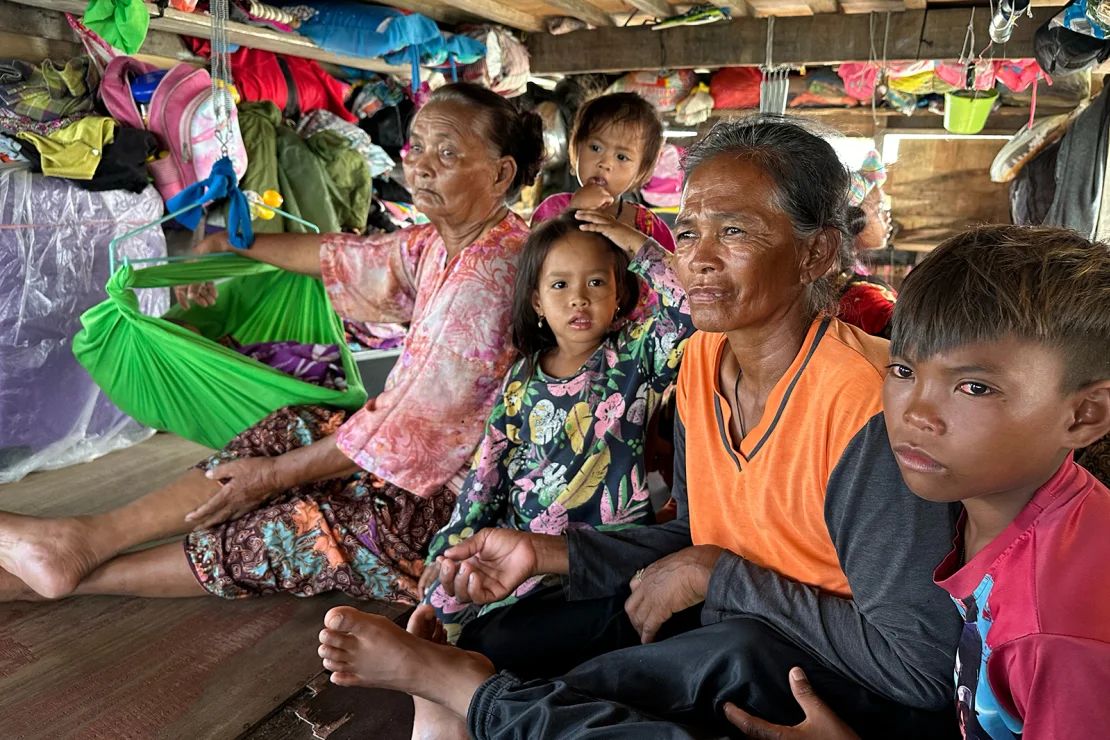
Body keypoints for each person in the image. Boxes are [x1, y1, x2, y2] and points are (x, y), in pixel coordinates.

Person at [315, 116, 961, 738]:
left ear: (815, 252)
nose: (699, 259)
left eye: (734, 232)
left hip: (848, 693)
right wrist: (543, 555)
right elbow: (693, 534)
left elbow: (918, 666)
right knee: (506, 637)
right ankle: (478, 692)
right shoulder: (705, 363)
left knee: (721, 655)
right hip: (737, 622)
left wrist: (716, 574)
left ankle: (471, 699)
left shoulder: (869, 410)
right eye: (687, 234)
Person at [0, 82, 545, 604]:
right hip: (422, 456)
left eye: (447, 154)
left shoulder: (492, 275)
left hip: (464, 506)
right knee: (292, 426)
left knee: (309, 524)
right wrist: (236, 245)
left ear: (501, 175)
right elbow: (349, 257)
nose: (421, 164)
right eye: (418, 145)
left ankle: (57, 573)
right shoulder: (443, 242)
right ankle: (87, 538)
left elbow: (413, 434)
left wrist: (272, 479)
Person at [727, 225, 1110, 740]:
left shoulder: (1054, 631)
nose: (917, 412)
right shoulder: (1002, 512)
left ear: (1085, 414)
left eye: (973, 386)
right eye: (904, 370)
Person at [406, 210, 693, 739]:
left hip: (605, 570)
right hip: (520, 571)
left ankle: (466, 688)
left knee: (494, 649)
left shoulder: (636, 360)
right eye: (560, 284)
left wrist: (640, 248)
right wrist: (448, 547)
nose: (579, 298)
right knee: (446, 604)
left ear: (620, 294)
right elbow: (485, 479)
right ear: (537, 301)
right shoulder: (520, 379)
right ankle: (441, 687)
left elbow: (690, 311)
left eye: (597, 282)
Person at [532, 92, 674, 254]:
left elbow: (669, 277)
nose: (605, 163)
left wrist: (631, 241)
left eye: (622, 157)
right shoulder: (553, 209)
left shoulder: (648, 227)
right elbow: (533, 260)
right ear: (576, 149)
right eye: (595, 148)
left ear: (641, 171)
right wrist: (573, 212)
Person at [836, 149, 898, 338]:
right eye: (879, 208)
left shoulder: (846, 277)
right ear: (853, 220)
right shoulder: (865, 299)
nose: (887, 216)